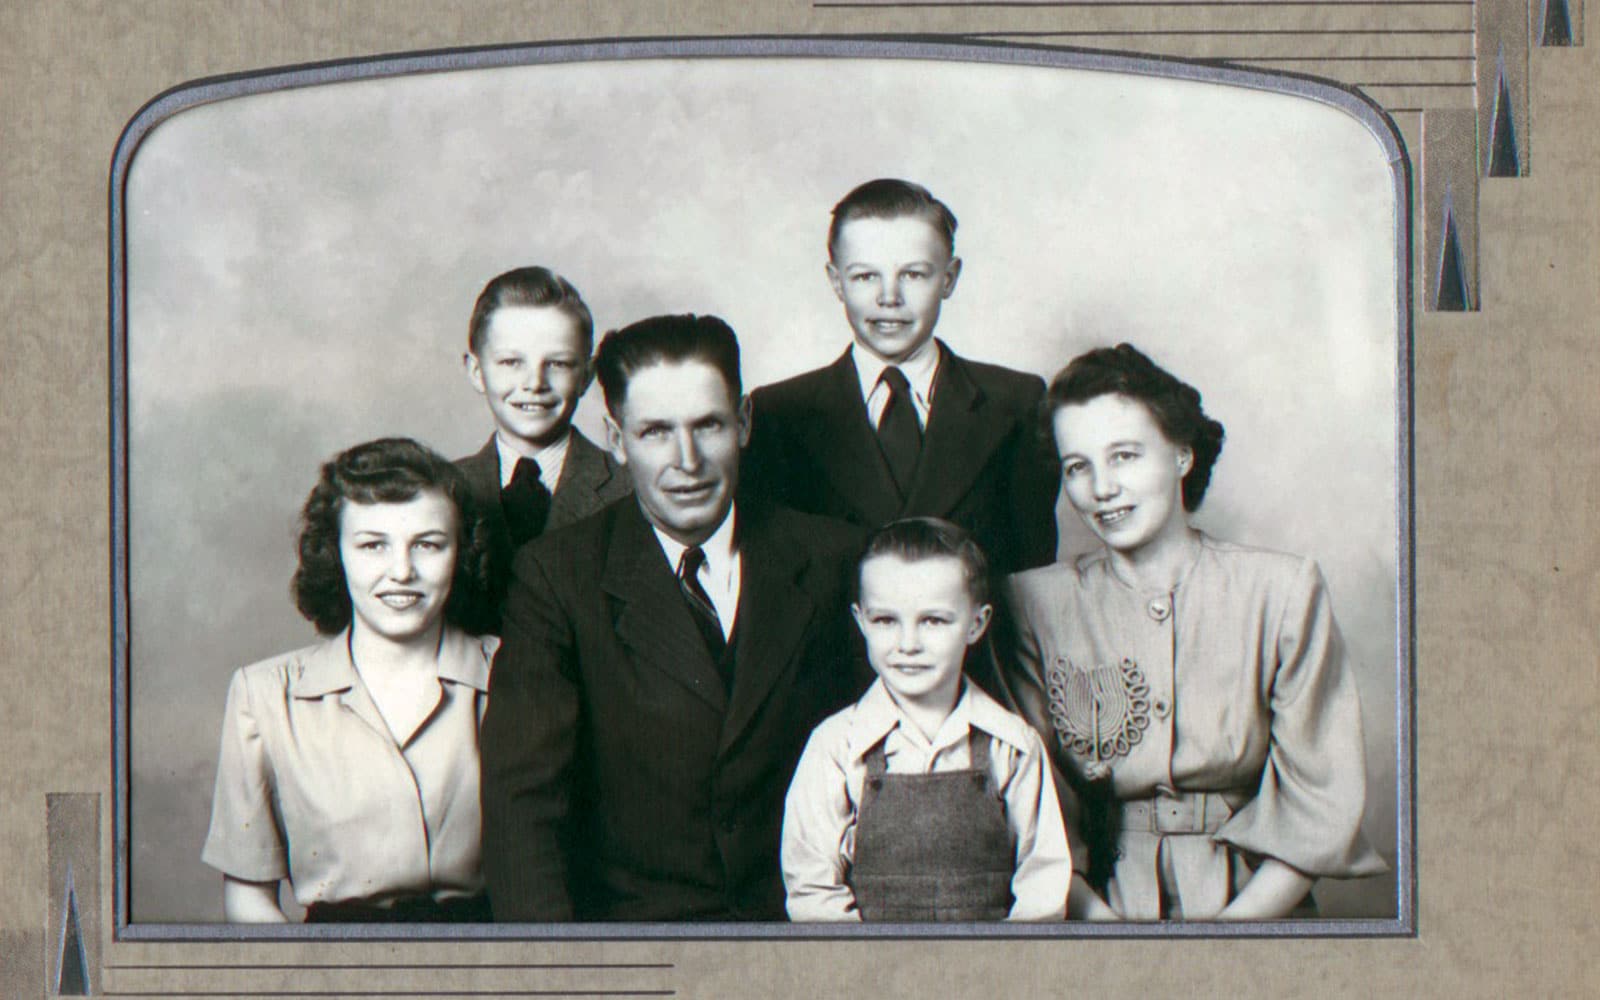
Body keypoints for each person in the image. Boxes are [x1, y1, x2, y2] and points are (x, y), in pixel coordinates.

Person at [479, 313, 868, 921]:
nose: (686, 460)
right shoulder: (557, 577)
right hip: (636, 953)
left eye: (707, 425)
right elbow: (523, 810)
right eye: (656, 431)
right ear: (615, 437)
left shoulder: (834, 559)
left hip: (810, 939)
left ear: (743, 421)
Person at [986, 344, 1387, 921]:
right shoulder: (1032, 603)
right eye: (1078, 467)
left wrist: (1226, 942)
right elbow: (1038, 806)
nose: (1101, 488)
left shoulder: (1281, 589)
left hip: (1258, 908)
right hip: (1096, 912)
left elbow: (1317, 803)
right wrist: (1102, 933)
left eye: (1124, 456)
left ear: (1181, 455)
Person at [201, 437, 501, 922]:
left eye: (427, 544)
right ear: (334, 553)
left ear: (461, 551)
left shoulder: (513, 672)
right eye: (372, 545)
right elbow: (248, 896)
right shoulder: (264, 693)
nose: (401, 572)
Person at [742, 178, 1059, 576]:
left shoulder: (1015, 401)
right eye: (864, 277)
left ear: (949, 278)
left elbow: (1034, 575)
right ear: (836, 281)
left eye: (913, 275)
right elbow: (773, 577)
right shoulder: (779, 414)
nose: (888, 297)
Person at [781, 517, 1070, 922]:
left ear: (976, 624)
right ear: (860, 620)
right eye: (885, 620)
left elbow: (1044, 886)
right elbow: (812, 891)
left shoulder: (1014, 745)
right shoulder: (834, 746)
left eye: (933, 620)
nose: (908, 644)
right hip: (870, 977)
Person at [456, 267, 631, 616]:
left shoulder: (629, 490)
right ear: (476, 371)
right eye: (511, 362)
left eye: (558, 363)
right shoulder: (444, 489)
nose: (534, 382)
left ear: (586, 377)